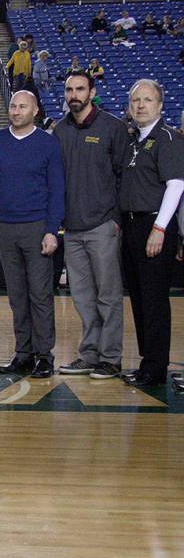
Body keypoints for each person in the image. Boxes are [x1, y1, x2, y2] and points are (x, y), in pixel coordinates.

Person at [52, 70, 129, 379]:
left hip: (102, 225)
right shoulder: (60, 130)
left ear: (92, 92)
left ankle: (111, 358)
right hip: (72, 229)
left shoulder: (113, 127)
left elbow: (124, 177)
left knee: (108, 296)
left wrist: (116, 220)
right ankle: (89, 354)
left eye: (80, 89)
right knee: (83, 297)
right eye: (70, 90)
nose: (74, 95)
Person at [0, 91, 65, 378]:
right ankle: (23, 353)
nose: (16, 110)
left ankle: (44, 355)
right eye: (13, 105)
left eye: (23, 106)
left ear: (35, 110)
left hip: (37, 226)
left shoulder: (48, 143)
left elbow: (56, 189)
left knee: (40, 294)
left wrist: (52, 230)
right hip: (5, 226)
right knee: (17, 295)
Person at [118, 80, 184, 387]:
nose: (141, 105)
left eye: (147, 100)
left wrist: (160, 228)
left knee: (155, 300)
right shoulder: (132, 140)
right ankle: (147, 363)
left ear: (160, 105)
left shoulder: (168, 138)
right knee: (139, 297)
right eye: (136, 100)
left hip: (155, 225)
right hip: (131, 226)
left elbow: (176, 185)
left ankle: (155, 368)